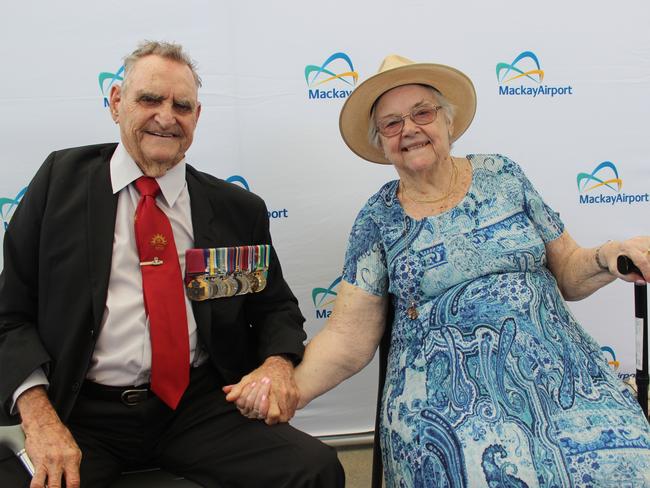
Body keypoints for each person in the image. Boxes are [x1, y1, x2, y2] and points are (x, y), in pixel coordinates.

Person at [229, 55, 650, 486]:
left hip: (564, 374)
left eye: (422, 113)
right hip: (445, 400)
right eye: (391, 124)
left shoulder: (503, 175)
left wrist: (610, 255)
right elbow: (347, 338)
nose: (409, 129)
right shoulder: (378, 219)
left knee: (628, 458)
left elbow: (568, 273)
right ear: (381, 143)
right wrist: (285, 390)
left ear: (448, 122)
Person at [0, 41, 344, 488]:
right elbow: (10, 317)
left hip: (196, 407)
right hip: (81, 411)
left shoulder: (237, 208)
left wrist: (277, 364)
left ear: (196, 117)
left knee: (315, 470)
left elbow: (275, 308)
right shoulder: (58, 183)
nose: (167, 116)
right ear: (117, 103)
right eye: (149, 99)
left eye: (182, 105)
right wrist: (40, 416)